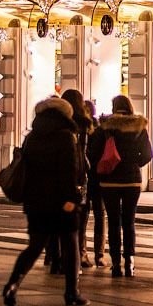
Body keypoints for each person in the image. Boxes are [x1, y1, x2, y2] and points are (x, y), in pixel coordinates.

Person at [2, 97, 89, 306]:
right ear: (65, 114)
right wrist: (71, 199)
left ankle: (12, 284)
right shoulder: (66, 137)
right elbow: (69, 171)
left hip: (36, 201)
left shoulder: (32, 137)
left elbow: (26, 168)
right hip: (61, 202)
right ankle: (71, 292)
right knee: (70, 246)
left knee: (34, 247)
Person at [88, 95, 153, 278]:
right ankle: (130, 262)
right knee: (129, 221)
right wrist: (134, 164)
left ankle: (116, 263)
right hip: (132, 181)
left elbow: (93, 153)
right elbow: (147, 153)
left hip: (109, 181)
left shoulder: (105, 127)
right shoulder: (139, 127)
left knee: (114, 221)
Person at [60, 89, 93, 269]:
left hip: (62, 176)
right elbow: (88, 152)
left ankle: (59, 257)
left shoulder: (61, 123)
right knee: (80, 219)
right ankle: (80, 254)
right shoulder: (85, 124)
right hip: (80, 177)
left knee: (61, 219)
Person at [84, 100, 107, 267]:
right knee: (100, 216)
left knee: (82, 218)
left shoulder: (80, 129)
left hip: (85, 179)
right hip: (99, 179)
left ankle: (82, 252)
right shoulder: (101, 131)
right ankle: (99, 255)